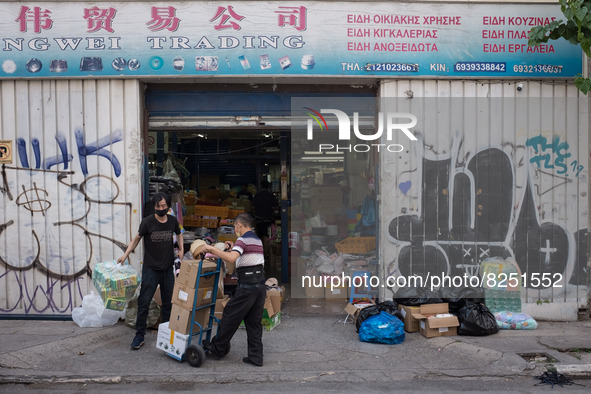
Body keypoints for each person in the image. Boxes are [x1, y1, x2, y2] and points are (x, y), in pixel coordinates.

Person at [117, 192, 183, 350]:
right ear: (154, 207)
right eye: (157, 206)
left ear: (167, 207)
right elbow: (136, 239)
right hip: (150, 269)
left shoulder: (173, 221)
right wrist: (125, 254)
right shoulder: (147, 222)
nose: (160, 208)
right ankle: (139, 335)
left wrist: (181, 249)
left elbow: (179, 234)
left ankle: (166, 334)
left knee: (168, 304)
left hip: (167, 269)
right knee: (144, 303)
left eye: (163, 206)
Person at [200, 213, 266, 366]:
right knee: (253, 323)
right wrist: (231, 247)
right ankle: (256, 357)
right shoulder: (257, 240)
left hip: (247, 287)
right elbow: (241, 257)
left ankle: (218, 348)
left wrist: (210, 248)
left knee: (230, 315)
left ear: (239, 226)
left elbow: (231, 259)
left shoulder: (242, 240)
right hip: (260, 287)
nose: (236, 229)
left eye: (235, 226)